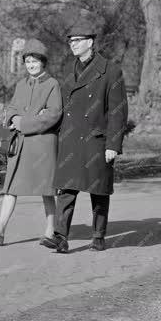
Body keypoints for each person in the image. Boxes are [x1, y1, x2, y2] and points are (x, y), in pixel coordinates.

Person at [41, 20, 128, 254]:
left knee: (98, 191)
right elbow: (62, 105)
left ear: (90, 42)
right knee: (66, 190)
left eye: (77, 41)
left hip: (97, 140)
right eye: (70, 41)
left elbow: (118, 111)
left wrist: (113, 144)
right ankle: (60, 237)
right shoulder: (68, 71)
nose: (73, 45)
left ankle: (98, 235)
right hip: (70, 139)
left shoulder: (111, 71)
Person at [0, 38, 63, 246]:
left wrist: (23, 122)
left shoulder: (53, 84)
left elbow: (53, 115)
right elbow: (12, 108)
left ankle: (51, 232)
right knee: (10, 188)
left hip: (43, 146)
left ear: (43, 62)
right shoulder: (21, 84)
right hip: (20, 145)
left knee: (47, 191)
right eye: (27, 62)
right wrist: (14, 118)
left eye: (35, 61)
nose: (31, 65)